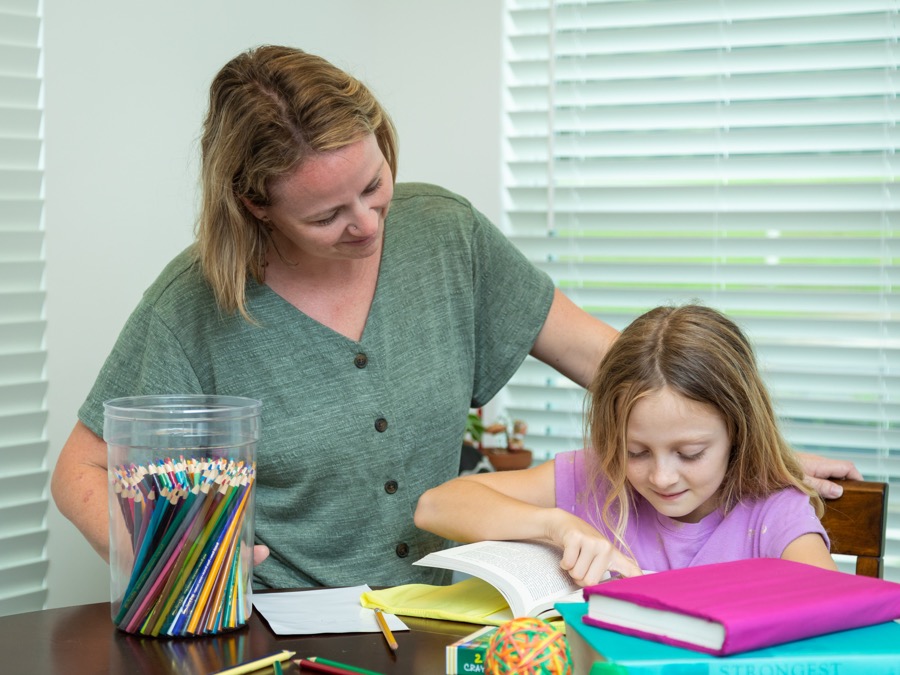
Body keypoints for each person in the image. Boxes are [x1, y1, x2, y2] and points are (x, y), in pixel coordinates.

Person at [51, 46, 858, 591]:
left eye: (375, 184)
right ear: (255, 205)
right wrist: (180, 563)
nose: (367, 225)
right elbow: (79, 472)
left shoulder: (445, 234)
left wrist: (753, 438)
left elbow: (618, 365)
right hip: (286, 629)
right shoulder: (193, 305)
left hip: (446, 613)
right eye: (328, 215)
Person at [415, 304, 844, 586]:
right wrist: (557, 526)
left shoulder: (773, 511)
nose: (660, 476)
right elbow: (435, 506)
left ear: (739, 431)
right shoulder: (596, 476)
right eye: (635, 451)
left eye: (691, 453)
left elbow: (834, 612)